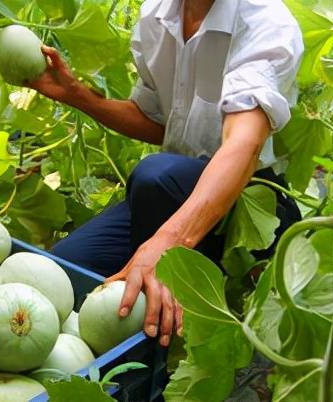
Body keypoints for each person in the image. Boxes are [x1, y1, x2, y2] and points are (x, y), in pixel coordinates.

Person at [27, 0, 303, 348]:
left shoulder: (266, 21)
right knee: (64, 271)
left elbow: (243, 146)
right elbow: (157, 122)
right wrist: (77, 95)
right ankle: (154, 297)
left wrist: (167, 242)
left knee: (155, 175)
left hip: (251, 205)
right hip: (173, 193)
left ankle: (162, 340)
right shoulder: (156, 15)